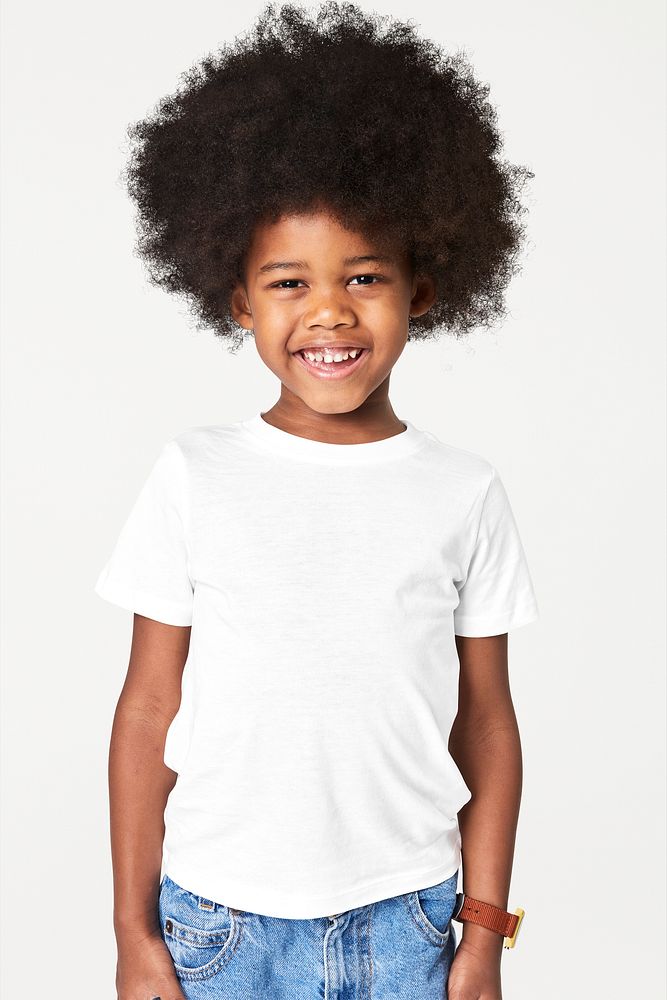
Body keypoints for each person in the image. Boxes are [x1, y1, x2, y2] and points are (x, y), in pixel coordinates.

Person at [94, 4, 539, 998]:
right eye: (288, 281)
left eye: (366, 276)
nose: (329, 311)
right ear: (238, 299)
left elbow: (489, 724)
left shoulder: (462, 491)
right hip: (215, 924)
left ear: (423, 289)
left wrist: (480, 933)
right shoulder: (193, 473)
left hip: (410, 922)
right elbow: (146, 710)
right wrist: (133, 932)